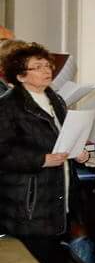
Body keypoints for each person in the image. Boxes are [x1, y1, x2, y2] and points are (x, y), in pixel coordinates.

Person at [0, 42, 88, 245]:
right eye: (37, 67)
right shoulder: (8, 105)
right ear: (20, 76)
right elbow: (3, 153)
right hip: (29, 202)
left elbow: (64, 137)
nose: (46, 70)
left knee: (58, 255)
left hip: (60, 193)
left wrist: (78, 151)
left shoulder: (56, 100)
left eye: (47, 65)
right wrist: (41, 160)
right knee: (36, 258)